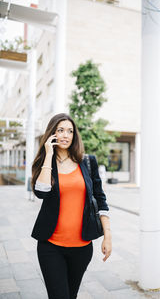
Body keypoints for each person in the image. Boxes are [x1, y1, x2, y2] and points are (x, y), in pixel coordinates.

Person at [31, 113, 112, 299]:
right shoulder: (44, 163)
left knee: (71, 295)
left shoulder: (87, 162)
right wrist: (49, 155)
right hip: (51, 246)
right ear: (52, 133)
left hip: (82, 247)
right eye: (60, 130)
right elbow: (41, 193)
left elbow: (100, 198)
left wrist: (108, 236)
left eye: (70, 131)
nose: (66, 135)